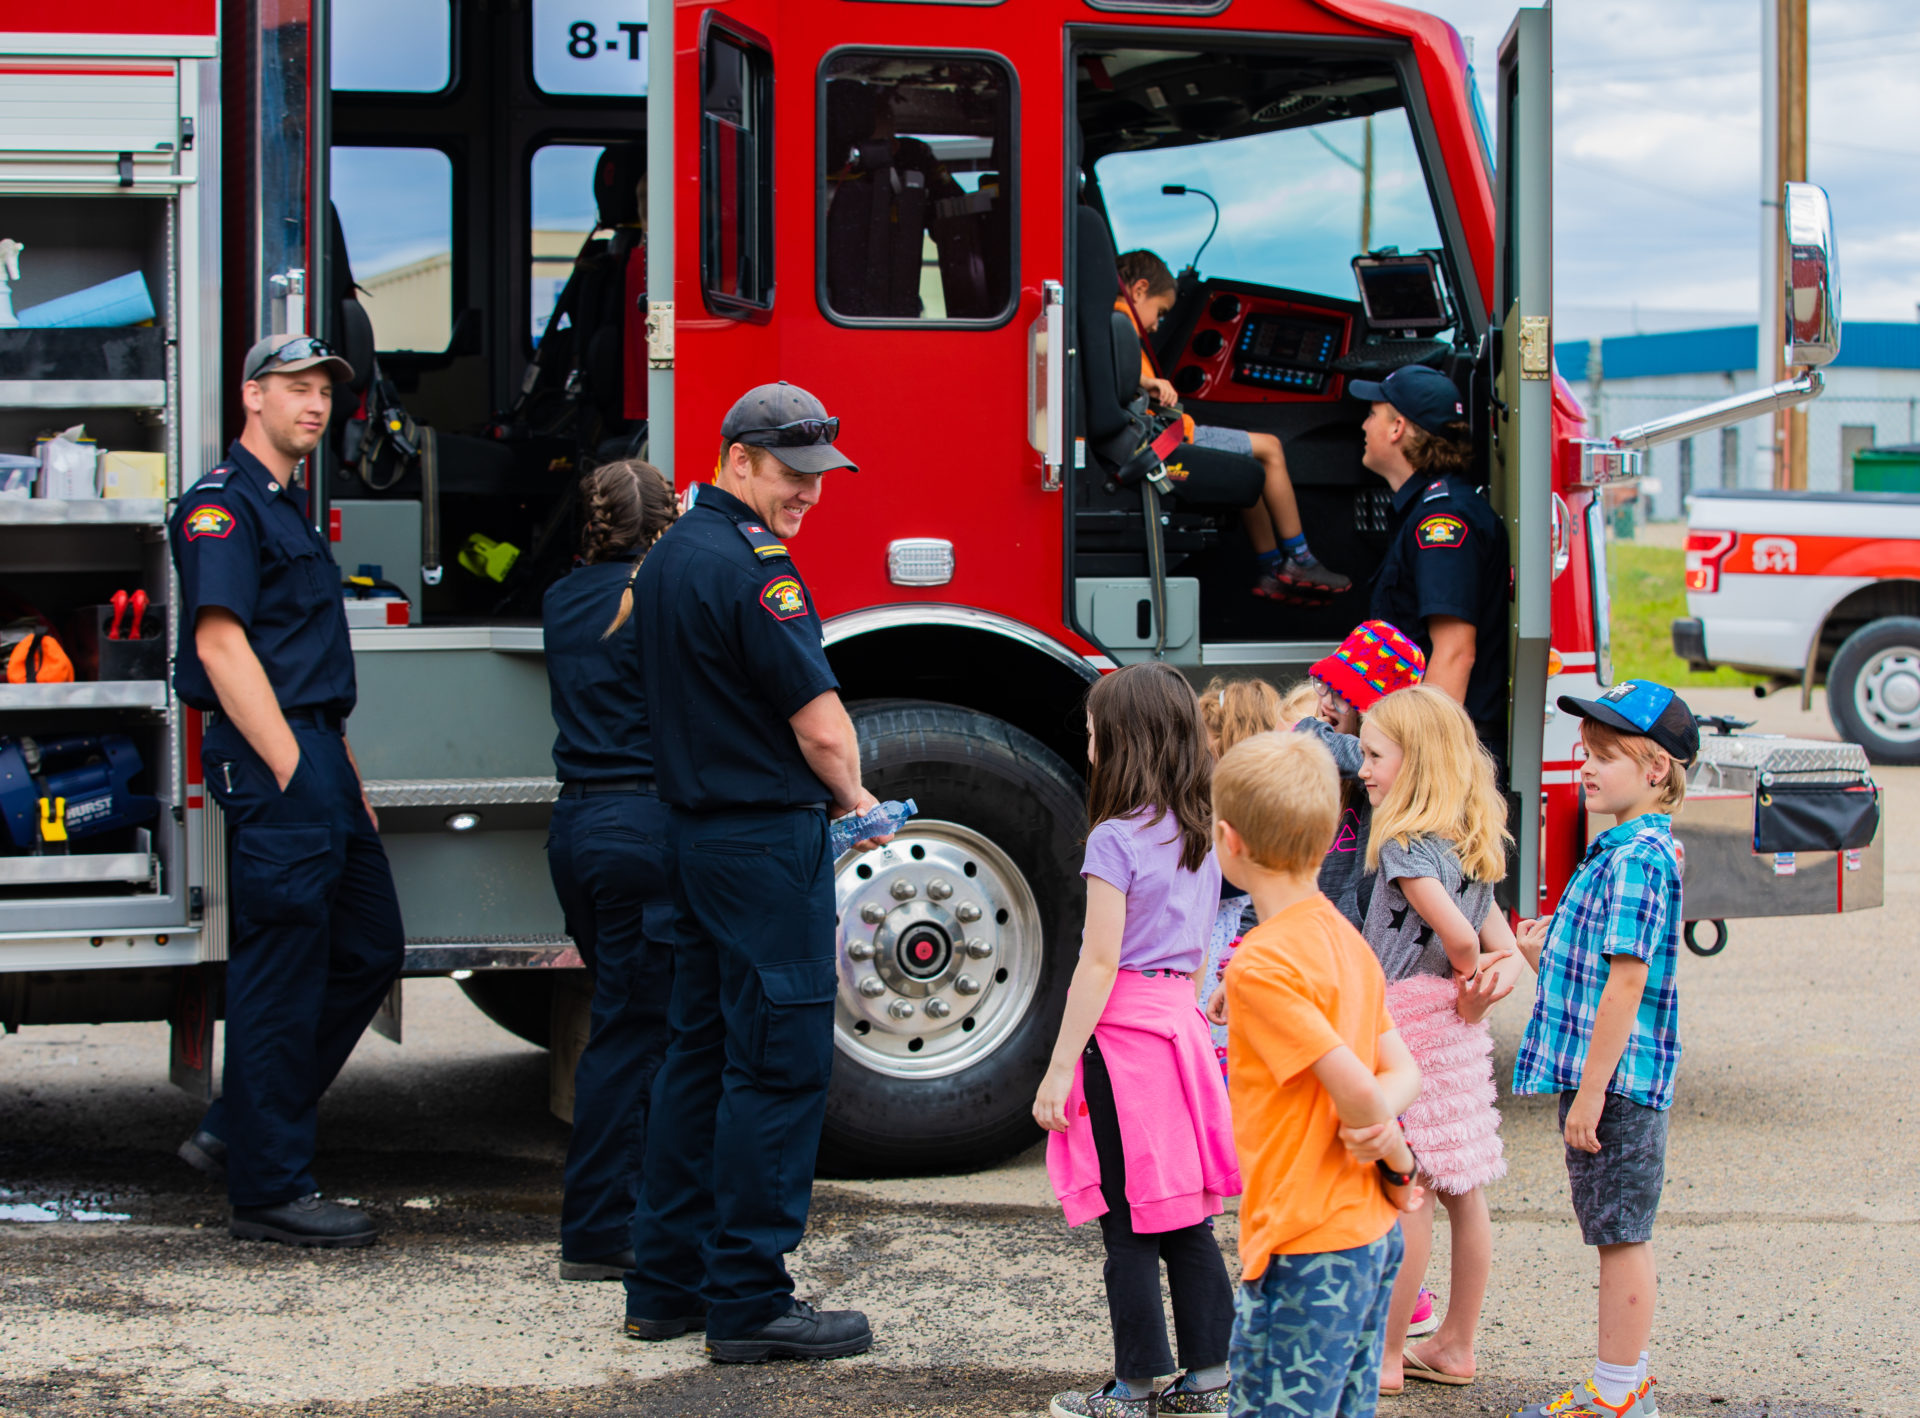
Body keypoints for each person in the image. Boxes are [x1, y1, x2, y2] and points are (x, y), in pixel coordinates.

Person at [623, 382, 885, 1363]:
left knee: (695, 1056)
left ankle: (666, 1281)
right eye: (791, 473)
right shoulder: (756, 569)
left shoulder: (670, 557)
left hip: (690, 839)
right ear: (737, 458)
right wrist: (859, 800)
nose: (809, 494)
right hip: (761, 846)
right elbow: (818, 723)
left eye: (819, 477)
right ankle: (748, 1297)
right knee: (776, 1067)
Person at [168, 335, 403, 1248]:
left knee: (370, 945)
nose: (314, 404)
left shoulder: (286, 507)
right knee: (282, 976)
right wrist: (295, 768)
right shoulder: (223, 509)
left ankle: (242, 1125)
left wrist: (339, 771)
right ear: (251, 397)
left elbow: (305, 661)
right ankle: (270, 1190)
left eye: (323, 393)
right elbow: (222, 646)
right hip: (279, 765)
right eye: (295, 389)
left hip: (316, 759)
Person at [1035, 662, 1241, 1418]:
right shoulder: (1202, 834)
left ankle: (1133, 1387)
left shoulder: (1114, 840)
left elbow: (1098, 959)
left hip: (1120, 1042)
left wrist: (1059, 1068)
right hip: (1178, 1033)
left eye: (1092, 732)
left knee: (1126, 1222)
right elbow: (1194, 952)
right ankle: (1211, 1375)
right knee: (1183, 1211)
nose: (1087, 743)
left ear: (1120, 742)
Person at [1207, 730, 1424, 1418]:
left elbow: (1360, 1091)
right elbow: (1401, 1070)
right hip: (1368, 1235)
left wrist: (1392, 1147)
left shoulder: (1261, 963)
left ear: (1226, 839)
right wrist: (1383, 1139)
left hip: (1305, 1244)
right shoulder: (1341, 934)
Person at [1509, 680, 1697, 1418]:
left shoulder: (1638, 860)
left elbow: (1627, 982)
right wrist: (1539, 961)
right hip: (1611, 1078)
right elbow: (1598, 976)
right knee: (1614, 1231)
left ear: (1656, 769)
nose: (1584, 765)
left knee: (1621, 1238)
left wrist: (1592, 1092)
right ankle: (1627, 1382)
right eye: (1584, 751)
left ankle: (1618, 1396)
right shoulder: (1620, 850)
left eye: (1605, 755)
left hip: (1617, 1085)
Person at [1353, 686, 1522, 1393]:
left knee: (1408, 1189)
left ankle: (1388, 1356)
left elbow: (1458, 938)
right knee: (1463, 1188)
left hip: (1405, 1021)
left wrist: (1465, 969)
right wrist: (1485, 985)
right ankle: (1455, 1343)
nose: (1361, 767)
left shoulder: (1403, 842)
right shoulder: (1474, 839)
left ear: (1414, 761)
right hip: (1455, 1029)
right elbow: (1504, 949)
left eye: (1372, 754)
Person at [542, 460, 679, 1282]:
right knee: (643, 1034)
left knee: (620, 1022)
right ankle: (602, 1230)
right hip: (643, 826)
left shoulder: (563, 599)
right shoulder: (654, 598)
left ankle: (609, 1218)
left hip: (578, 827)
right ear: (664, 524)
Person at [1117, 250, 1350, 601]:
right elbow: (1120, 376)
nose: (1156, 325)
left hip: (1158, 437)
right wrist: (1147, 383)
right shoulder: (1120, 326)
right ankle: (1300, 559)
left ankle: (1273, 569)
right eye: (1161, 314)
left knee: (1244, 468)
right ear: (1139, 290)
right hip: (1166, 442)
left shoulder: (1107, 321)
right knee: (1269, 447)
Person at [1352, 364, 1510, 765]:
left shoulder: (1442, 521)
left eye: (1373, 414)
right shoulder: (1424, 510)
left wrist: (1423, 763)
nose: (1364, 426)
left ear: (1397, 428)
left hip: (1440, 751)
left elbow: (1455, 652)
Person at [1291, 620, 1429, 930]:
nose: (1325, 702)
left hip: (1347, 942)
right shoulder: (1330, 760)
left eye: (1341, 695)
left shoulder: (1387, 775)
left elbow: (1312, 736)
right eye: (1323, 685)